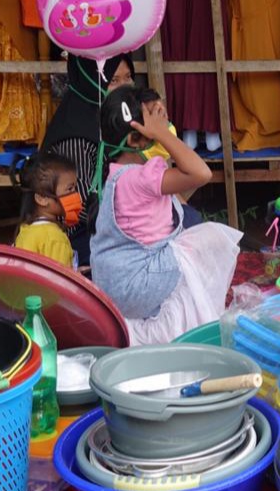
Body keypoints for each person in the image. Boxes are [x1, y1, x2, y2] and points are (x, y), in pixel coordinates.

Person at [91, 85, 228, 344]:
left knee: (185, 228)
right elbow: (202, 174)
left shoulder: (116, 173)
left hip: (117, 284)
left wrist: (159, 132)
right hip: (138, 287)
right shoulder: (141, 177)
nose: (165, 121)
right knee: (208, 240)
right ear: (135, 138)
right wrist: (163, 135)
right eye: (156, 118)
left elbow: (176, 201)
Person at [42, 53, 134, 266]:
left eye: (128, 77)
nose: (125, 88)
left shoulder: (116, 119)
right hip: (79, 233)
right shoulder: (76, 135)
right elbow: (78, 205)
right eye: (114, 80)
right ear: (91, 82)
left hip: (116, 220)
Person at [13, 153, 81, 270]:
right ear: (42, 198)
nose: (76, 194)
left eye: (75, 188)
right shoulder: (54, 238)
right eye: (70, 189)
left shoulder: (26, 229)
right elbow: (61, 283)